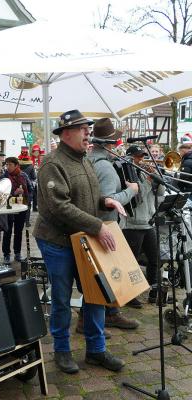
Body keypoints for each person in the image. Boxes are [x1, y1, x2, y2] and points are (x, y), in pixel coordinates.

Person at [34, 109, 126, 374]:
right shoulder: (52, 163)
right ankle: (61, 351)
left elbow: (85, 197)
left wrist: (104, 200)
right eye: (82, 128)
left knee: (96, 293)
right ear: (65, 133)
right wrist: (97, 225)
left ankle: (96, 350)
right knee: (62, 298)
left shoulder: (84, 160)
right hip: (58, 242)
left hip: (83, 238)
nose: (88, 133)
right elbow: (59, 206)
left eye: (88, 128)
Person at [86, 118, 141, 331]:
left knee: (97, 275)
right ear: (109, 145)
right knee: (107, 274)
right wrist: (132, 191)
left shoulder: (88, 161)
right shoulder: (106, 168)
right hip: (105, 226)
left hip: (92, 225)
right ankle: (108, 314)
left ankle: (103, 314)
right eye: (116, 143)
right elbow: (109, 202)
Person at [123, 145, 165, 303]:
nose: (141, 160)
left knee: (155, 259)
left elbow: (160, 193)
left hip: (148, 222)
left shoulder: (144, 172)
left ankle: (153, 292)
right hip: (133, 225)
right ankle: (130, 295)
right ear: (130, 158)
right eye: (138, 157)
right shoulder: (127, 174)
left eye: (142, 156)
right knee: (132, 263)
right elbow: (137, 197)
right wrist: (148, 181)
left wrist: (157, 176)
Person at [2, 157, 32, 263]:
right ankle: (6, 254)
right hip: (8, 208)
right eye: (6, 165)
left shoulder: (23, 175)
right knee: (7, 231)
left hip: (21, 207)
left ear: (16, 165)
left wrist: (25, 195)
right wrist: (14, 193)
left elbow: (31, 188)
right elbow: (1, 193)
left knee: (18, 231)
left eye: (10, 164)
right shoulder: (4, 177)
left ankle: (17, 253)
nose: (8, 167)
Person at [18, 147, 37, 227]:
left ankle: (20, 220)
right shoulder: (31, 166)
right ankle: (27, 221)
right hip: (28, 187)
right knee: (28, 204)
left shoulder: (18, 165)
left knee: (19, 203)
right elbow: (34, 177)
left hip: (18, 186)